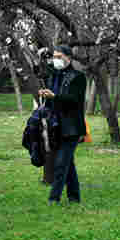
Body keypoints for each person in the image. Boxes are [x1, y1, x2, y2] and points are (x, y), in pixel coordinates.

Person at [37, 45, 87, 205]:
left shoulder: (78, 77)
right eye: (55, 56)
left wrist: (55, 96)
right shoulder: (54, 76)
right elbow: (39, 71)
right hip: (56, 125)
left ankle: (54, 198)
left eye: (60, 56)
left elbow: (74, 100)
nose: (56, 60)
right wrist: (47, 95)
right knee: (68, 164)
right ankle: (74, 197)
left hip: (72, 127)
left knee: (61, 164)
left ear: (69, 57)